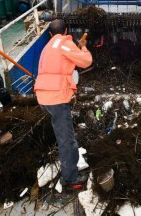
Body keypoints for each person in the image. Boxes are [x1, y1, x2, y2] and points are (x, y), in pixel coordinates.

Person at [34, 19, 93, 190]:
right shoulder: (65, 43)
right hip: (56, 99)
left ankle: (71, 167)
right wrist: (83, 47)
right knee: (66, 141)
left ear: (50, 34)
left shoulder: (47, 47)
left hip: (43, 97)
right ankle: (69, 179)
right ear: (66, 31)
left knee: (65, 136)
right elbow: (86, 61)